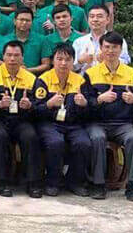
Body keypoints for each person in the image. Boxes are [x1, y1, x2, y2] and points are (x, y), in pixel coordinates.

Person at [83, 32, 133, 202]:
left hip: (123, 124)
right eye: (107, 47)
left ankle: (131, 184)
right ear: (101, 49)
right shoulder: (91, 74)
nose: (110, 51)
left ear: (121, 49)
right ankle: (98, 183)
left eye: (114, 47)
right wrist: (99, 99)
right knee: (97, 138)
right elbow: (83, 104)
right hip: (97, 123)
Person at [0, 39, 44, 198]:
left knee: (30, 136)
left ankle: (33, 183)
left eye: (16, 55)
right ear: (3, 56)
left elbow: (39, 104)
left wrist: (29, 105)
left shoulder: (31, 79)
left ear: (22, 57)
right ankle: (1, 181)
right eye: (9, 55)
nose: (12, 59)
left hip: (21, 120)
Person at [36, 43, 97, 197]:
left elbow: (88, 112)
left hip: (73, 124)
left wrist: (84, 104)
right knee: (55, 142)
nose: (63, 63)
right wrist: (49, 104)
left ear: (73, 62)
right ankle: (52, 182)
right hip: (50, 123)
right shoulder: (43, 80)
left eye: (68, 59)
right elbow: (35, 110)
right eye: (59, 59)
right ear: (53, 61)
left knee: (83, 143)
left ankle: (75, 182)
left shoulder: (80, 81)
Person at [73, 5, 130, 72]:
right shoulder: (79, 42)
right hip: (84, 78)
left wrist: (109, 60)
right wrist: (80, 62)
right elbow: (70, 68)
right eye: (92, 16)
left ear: (108, 19)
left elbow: (126, 62)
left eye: (99, 16)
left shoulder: (117, 40)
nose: (95, 20)